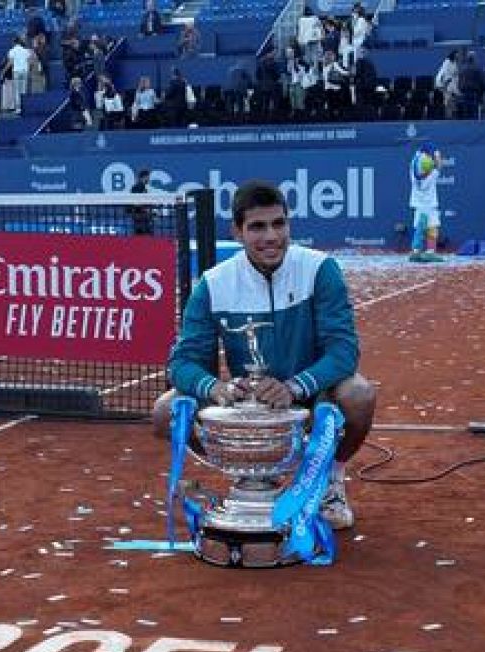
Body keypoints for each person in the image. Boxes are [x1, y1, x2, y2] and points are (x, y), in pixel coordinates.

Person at [152, 180, 375, 530]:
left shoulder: (320, 269)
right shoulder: (214, 284)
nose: (271, 236)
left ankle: (330, 477)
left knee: (359, 395)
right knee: (166, 410)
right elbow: (181, 362)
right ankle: (247, 477)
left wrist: (295, 387)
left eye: (278, 224)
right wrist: (217, 389)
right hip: (251, 407)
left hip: (314, 395)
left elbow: (344, 351)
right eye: (257, 227)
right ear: (237, 232)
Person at [407, 144, 444, 263]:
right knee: (432, 228)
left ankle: (415, 252)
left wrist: (420, 152)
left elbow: (414, 162)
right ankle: (430, 252)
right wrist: (436, 153)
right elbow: (439, 165)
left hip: (418, 206)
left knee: (419, 228)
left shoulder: (413, 174)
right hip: (430, 206)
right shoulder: (432, 175)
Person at [129, 167, 154, 234]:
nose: (149, 179)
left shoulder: (143, 187)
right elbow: (135, 203)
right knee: (142, 234)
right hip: (139, 216)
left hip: (142, 216)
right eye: (148, 177)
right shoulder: (137, 187)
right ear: (144, 177)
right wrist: (146, 209)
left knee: (144, 233)